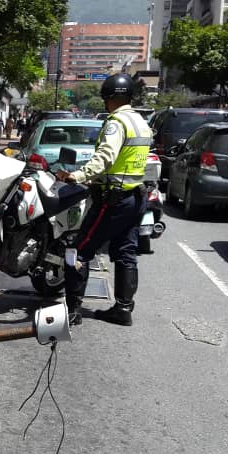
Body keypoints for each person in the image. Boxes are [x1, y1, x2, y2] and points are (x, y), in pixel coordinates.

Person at [55, 73, 151, 327]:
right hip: (135, 196)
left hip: (113, 199)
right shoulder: (140, 122)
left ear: (110, 98)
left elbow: (105, 157)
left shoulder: (116, 123)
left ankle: (73, 310)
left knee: (78, 249)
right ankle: (123, 309)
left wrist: (76, 175)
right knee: (126, 252)